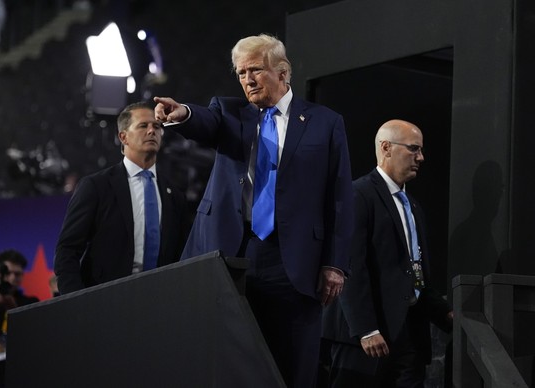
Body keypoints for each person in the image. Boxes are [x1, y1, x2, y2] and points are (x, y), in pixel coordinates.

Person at [153, 34, 354, 388]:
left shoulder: (325, 122)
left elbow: (339, 196)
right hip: (232, 253)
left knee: (293, 369)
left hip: (293, 260)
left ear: (283, 72)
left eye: (255, 70)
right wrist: (181, 113)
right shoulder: (230, 113)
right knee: (226, 366)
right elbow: (204, 121)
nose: (247, 79)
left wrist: (335, 263)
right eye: (241, 72)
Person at [323, 120, 453, 387]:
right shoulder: (357, 194)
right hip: (365, 339)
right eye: (414, 149)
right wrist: (367, 329)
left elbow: (415, 273)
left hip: (409, 338)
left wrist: (446, 314)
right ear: (386, 148)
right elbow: (350, 266)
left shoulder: (413, 206)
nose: (421, 157)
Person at [54, 102, 188, 295]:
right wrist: (75, 300)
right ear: (123, 137)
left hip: (160, 303)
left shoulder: (174, 195)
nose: (152, 131)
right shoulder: (96, 187)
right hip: (104, 304)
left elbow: (182, 254)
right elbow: (68, 249)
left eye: (157, 126)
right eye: (143, 126)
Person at [0, 249, 38, 387]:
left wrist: (12, 307)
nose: (13, 278)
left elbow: (34, 336)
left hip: (19, 373)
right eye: (8, 273)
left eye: (17, 274)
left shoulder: (30, 302)